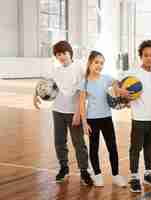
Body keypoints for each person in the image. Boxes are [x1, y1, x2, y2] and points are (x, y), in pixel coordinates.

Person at [33, 40, 93, 185]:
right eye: (58, 54)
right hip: (58, 110)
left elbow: (83, 91)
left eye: (63, 53)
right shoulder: (56, 70)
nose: (61, 57)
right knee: (59, 141)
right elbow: (44, 84)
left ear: (70, 53)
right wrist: (35, 94)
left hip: (74, 112)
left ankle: (84, 171)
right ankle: (63, 168)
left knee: (78, 142)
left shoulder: (79, 68)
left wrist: (78, 112)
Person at [79, 50, 128, 187]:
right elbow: (82, 103)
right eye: (96, 62)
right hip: (92, 120)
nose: (99, 65)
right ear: (90, 63)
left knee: (112, 147)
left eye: (101, 63)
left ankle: (116, 175)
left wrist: (120, 90)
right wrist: (84, 123)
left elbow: (117, 83)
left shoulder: (106, 78)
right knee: (93, 148)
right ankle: (98, 175)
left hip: (106, 118)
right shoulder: (84, 82)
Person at [124, 40, 151, 193]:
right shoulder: (133, 73)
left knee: (149, 147)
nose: (149, 58)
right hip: (139, 119)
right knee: (135, 148)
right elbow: (120, 88)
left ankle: (147, 173)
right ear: (141, 56)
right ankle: (134, 176)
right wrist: (125, 96)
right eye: (146, 55)